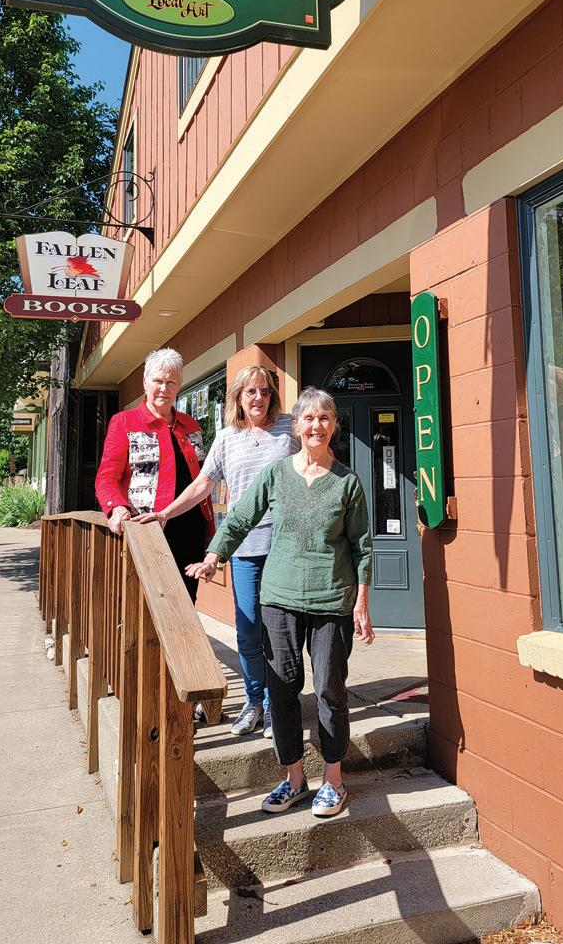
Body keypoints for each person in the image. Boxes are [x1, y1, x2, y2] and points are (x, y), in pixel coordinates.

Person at [187, 386, 374, 818]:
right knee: (283, 688)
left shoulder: (347, 482)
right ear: (297, 426)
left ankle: (334, 780)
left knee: (329, 689)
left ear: (334, 426)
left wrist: (361, 602)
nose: (316, 426)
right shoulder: (276, 474)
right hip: (280, 598)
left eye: (324, 418)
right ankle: (294, 778)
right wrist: (214, 556)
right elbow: (240, 518)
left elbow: (362, 547)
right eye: (308, 418)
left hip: (331, 599)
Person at [150, 365, 298, 737]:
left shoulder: (290, 428)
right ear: (238, 397)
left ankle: (278, 707)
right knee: (248, 632)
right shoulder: (228, 437)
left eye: (265, 391)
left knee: (280, 633)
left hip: (285, 548)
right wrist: (166, 512)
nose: (259, 398)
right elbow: (203, 484)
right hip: (245, 548)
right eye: (251, 392)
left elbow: (316, 464)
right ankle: (255, 702)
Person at [95, 348, 214, 602]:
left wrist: (210, 529)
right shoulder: (124, 422)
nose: (163, 388)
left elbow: (202, 479)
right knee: (146, 603)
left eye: (171, 382)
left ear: (179, 385)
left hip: (191, 530)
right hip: (148, 529)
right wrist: (116, 507)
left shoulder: (191, 425)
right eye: (158, 381)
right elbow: (106, 478)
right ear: (145, 383)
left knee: (185, 602)